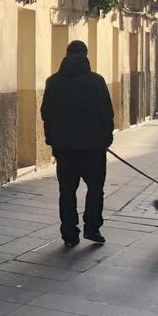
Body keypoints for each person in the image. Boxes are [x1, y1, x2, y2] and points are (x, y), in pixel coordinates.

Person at [41, 40, 115, 247]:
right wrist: (105, 139)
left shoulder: (53, 81)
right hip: (93, 148)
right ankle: (92, 228)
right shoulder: (96, 81)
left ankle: (69, 233)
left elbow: (46, 113)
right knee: (95, 189)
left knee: (66, 191)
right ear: (85, 55)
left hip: (64, 149)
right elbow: (106, 113)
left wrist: (52, 141)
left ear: (66, 54)